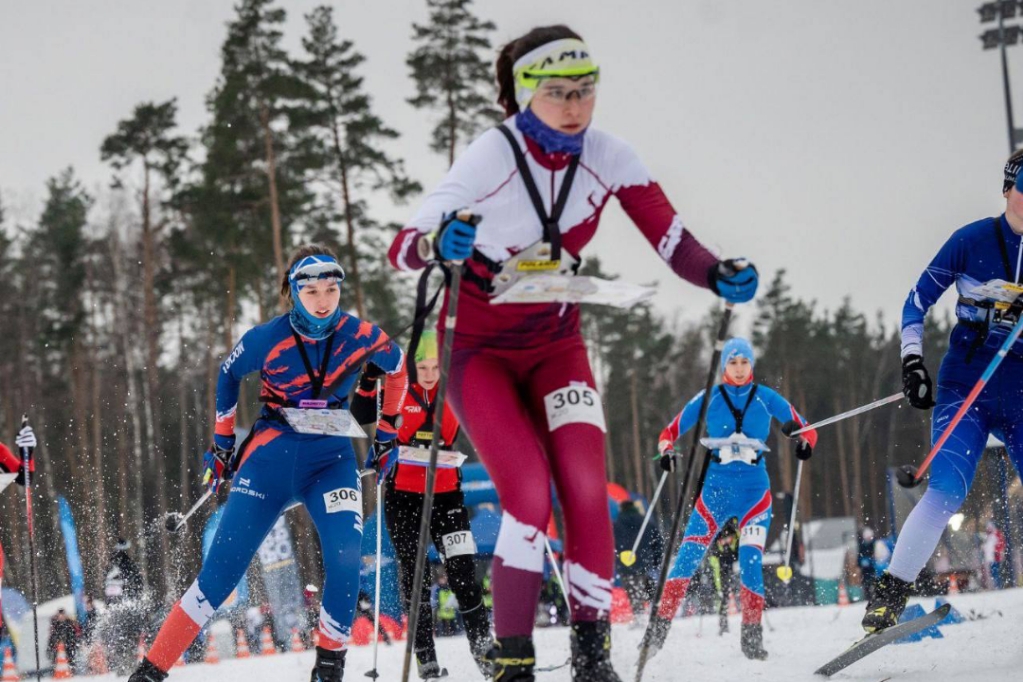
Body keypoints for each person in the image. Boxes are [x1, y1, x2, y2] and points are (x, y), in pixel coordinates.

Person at [388, 25, 757, 682]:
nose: (575, 107)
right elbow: (403, 246)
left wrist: (714, 271)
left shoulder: (610, 155)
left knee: (587, 491)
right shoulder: (491, 154)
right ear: (525, 94)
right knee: (527, 497)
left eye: (586, 92)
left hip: (557, 346)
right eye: (558, 93)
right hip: (481, 353)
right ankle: (514, 662)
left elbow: (672, 239)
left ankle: (592, 657)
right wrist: (439, 243)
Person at [128, 245, 408, 682]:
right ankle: (149, 672)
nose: (322, 300)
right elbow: (227, 373)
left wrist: (389, 434)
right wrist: (222, 443)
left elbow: (398, 367)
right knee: (219, 577)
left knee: (347, 558)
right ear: (292, 293)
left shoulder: (362, 335)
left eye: (332, 289)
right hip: (267, 463)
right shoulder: (266, 338)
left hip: (331, 462)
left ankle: (329, 670)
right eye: (311, 290)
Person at [861, 150, 1023, 633]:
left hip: (1019, 390)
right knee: (946, 492)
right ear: (1007, 189)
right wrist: (913, 362)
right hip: (965, 386)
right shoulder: (970, 241)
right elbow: (915, 303)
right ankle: (890, 595)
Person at [642, 338, 816, 661]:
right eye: (733, 363)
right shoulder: (708, 398)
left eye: (744, 363)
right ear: (725, 366)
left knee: (750, 562)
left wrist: (803, 442)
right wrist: (666, 452)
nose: (739, 369)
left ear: (752, 366)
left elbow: (809, 429)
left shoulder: (766, 398)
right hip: (715, 492)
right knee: (686, 560)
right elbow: (668, 433)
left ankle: (752, 639)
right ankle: (655, 634)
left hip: (755, 493)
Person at [351, 329, 492, 679]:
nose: (429, 374)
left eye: (434, 367)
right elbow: (359, 413)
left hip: (447, 496)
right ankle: (426, 656)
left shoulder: (455, 392)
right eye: (422, 367)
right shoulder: (396, 391)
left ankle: (483, 646)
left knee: (463, 573)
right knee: (416, 578)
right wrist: (369, 377)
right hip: (403, 498)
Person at [613, 500, 664, 617]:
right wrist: (657, 562)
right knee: (647, 588)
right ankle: (655, 613)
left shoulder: (616, 524)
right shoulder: (646, 522)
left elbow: (611, 543)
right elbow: (657, 543)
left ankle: (639, 615)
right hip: (644, 562)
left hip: (625, 563)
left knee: (632, 591)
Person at [983, 520, 1006, 590]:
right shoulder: (987, 536)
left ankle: (998, 586)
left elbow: (1001, 544)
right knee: (993, 573)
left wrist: (997, 551)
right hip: (990, 557)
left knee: (996, 572)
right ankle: (996, 586)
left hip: (995, 557)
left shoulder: (996, 534)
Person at [858, 527, 878, 600]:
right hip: (866, 570)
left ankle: (875, 595)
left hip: (872, 568)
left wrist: (871, 561)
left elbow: (877, 556)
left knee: (874, 582)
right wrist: (861, 561)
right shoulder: (862, 545)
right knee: (866, 583)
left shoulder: (874, 544)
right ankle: (868, 596)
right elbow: (859, 556)